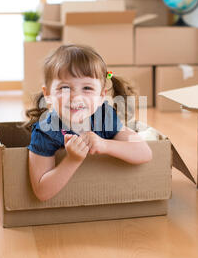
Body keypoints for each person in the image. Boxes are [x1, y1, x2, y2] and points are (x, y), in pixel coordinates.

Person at [24, 44, 152, 201]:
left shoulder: (104, 116)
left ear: (101, 96)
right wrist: (72, 160)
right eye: (64, 88)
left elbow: (144, 152)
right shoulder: (46, 131)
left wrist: (104, 144)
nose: (76, 97)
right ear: (48, 94)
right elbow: (41, 192)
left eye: (87, 88)